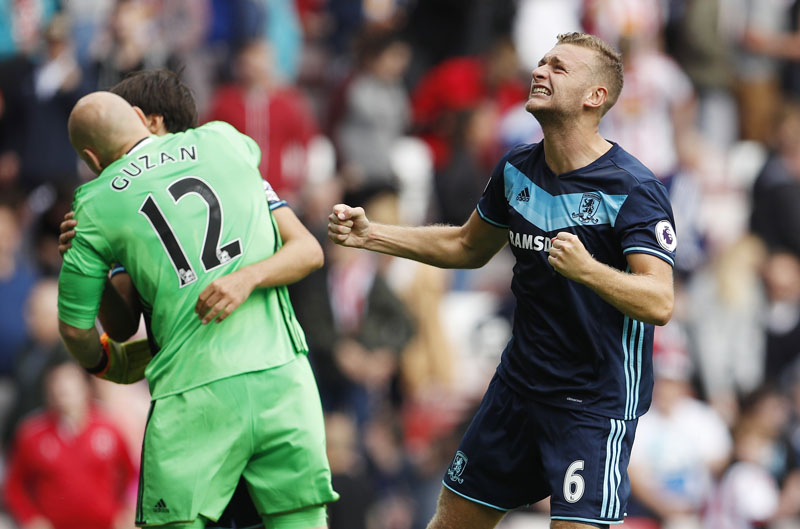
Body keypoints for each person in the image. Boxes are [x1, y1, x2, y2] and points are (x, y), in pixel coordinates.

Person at [328, 32, 677, 528]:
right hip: (518, 388)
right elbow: (466, 246)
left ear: (594, 97)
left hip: (593, 403)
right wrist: (373, 234)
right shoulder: (517, 168)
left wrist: (589, 271)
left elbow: (660, 300)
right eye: (541, 62)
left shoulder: (634, 188)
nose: (540, 71)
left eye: (559, 67)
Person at [58, 91, 338, 528]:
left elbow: (80, 330)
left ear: (92, 158)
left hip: (192, 400)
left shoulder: (95, 205)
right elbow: (307, 248)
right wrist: (247, 276)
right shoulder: (226, 141)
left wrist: (109, 364)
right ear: (139, 119)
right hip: (282, 380)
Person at [4, 357, 136, 529]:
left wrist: (127, 511)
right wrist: (31, 518)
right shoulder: (32, 434)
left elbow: (132, 475)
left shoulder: (110, 428)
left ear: (86, 385)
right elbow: (14, 486)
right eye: (57, 381)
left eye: (70, 380)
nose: (64, 388)